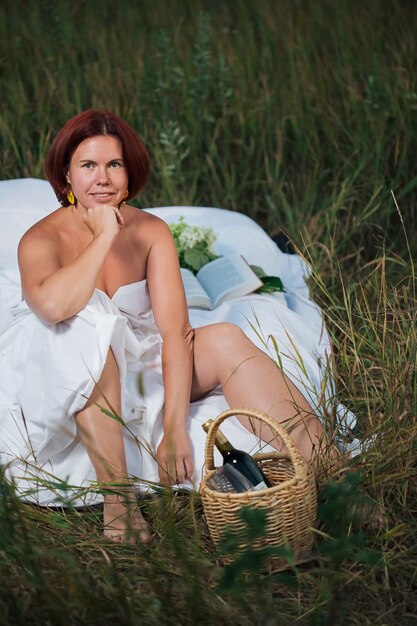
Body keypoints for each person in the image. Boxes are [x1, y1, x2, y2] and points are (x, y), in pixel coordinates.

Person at [5, 110, 330, 544]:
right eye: (88, 166)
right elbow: (52, 308)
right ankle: (119, 502)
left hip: (138, 358)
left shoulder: (152, 231)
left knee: (226, 338)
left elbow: (177, 333)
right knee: (88, 330)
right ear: (66, 174)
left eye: (113, 165)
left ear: (129, 173)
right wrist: (103, 235)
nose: (102, 178)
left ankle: (330, 467)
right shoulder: (40, 238)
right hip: (65, 365)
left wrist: (175, 428)